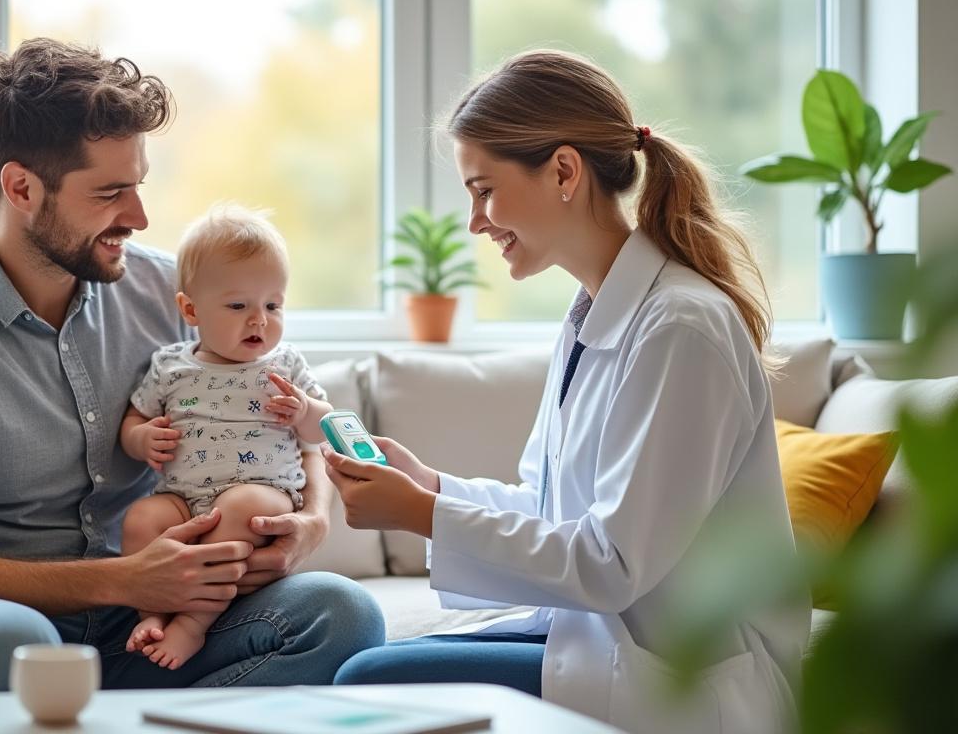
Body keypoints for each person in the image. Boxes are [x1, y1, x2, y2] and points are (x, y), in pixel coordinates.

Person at [0, 38, 383, 694]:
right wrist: (122, 579)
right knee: (11, 645)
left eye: (139, 185)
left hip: (146, 623)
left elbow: (289, 416)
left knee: (339, 614)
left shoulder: (168, 294)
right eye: (110, 193)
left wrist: (313, 521)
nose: (140, 216)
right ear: (21, 188)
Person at [324, 50, 808, 733]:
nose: (476, 221)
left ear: (563, 171)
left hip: (682, 678)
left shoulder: (680, 328)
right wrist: (430, 488)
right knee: (376, 665)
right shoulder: (595, 314)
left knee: (366, 685)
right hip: (605, 640)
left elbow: (612, 566)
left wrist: (425, 515)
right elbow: (553, 511)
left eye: (484, 189)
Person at [119, 203, 334, 671]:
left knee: (241, 510)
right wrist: (141, 441)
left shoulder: (285, 366)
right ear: (190, 309)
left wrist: (304, 411)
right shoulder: (170, 366)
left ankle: (191, 625)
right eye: (239, 306)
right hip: (182, 498)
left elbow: (324, 430)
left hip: (263, 495)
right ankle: (152, 613)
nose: (259, 319)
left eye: (272, 305)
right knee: (140, 518)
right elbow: (135, 419)